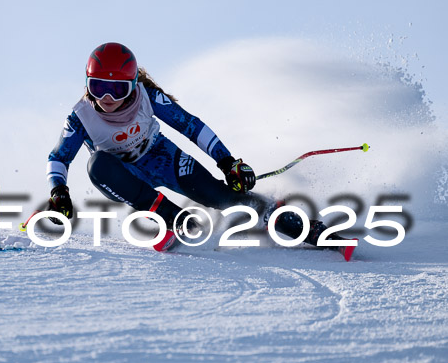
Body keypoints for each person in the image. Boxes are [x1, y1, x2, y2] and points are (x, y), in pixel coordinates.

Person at [45, 42, 341, 252]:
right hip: (124, 173)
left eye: (118, 89)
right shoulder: (81, 115)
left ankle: (305, 228)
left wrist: (227, 162)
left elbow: (190, 126)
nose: (107, 98)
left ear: (133, 85)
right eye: (98, 87)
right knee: (97, 165)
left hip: (162, 156)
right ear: (87, 85)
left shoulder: (147, 97)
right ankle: (171, 217)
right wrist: (59, 191)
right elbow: (59, 157)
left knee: (221, 197)